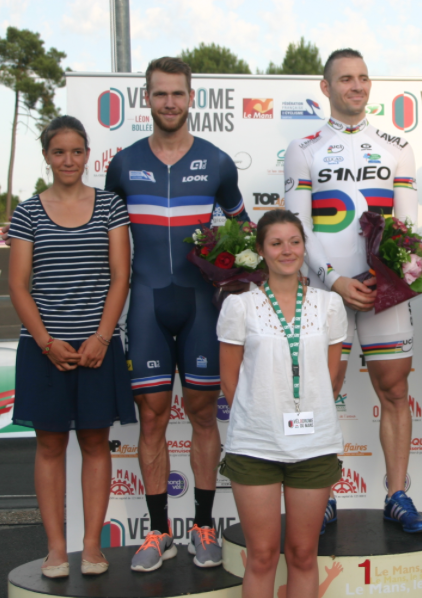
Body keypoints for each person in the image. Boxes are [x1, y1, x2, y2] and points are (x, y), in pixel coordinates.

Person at [104, 56, 249, 572]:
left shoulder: (218, 162)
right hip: (145, 304)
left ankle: (203, 526)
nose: (169, 102)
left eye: (178, 94)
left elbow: (245, 237)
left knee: (204, 414)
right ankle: (158, 532)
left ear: (191, 98)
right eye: (160, 93)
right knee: (152, 417)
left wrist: (236, 275)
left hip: (199, 308)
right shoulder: (123, 164)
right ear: (147, 98)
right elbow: (108, 239)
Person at [284, 48, 422, 534]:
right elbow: (298, 228)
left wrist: (386, 278)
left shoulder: (397, 146)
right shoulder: (303, 148)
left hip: (382, 292)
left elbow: (405, 228)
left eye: (363, 78)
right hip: (328, 291)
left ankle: (397, 494)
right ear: (326, 88)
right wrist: (335, 280)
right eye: (346, 78)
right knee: (324, 392)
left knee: (396, 389)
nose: (357, 86)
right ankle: (322, 496)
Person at [8, 116, 134, 578]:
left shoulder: (109, 206)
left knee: (96, 442)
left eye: (76, 151)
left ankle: (92, 547)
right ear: (46, 156)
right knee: (49, 445)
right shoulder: (27, 213)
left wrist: (101, 337)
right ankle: (56, 550)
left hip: (98, 346)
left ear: (87, 155)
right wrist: (47, 343)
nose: (68, 160)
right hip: (44, 348)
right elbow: (18, 286)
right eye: (59, 151)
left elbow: (120, 276)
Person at [217, 210, 346, 598]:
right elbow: (229, 381)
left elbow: (332, 378)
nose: (287, 250)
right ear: (261, 250)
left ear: (305, 247)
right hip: (255, 446)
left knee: (304, 554)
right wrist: (261, 419)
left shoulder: (330, 304)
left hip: (314, 446)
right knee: (261, 556)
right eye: (276, 243)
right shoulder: (239, 306)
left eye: (294, 241)